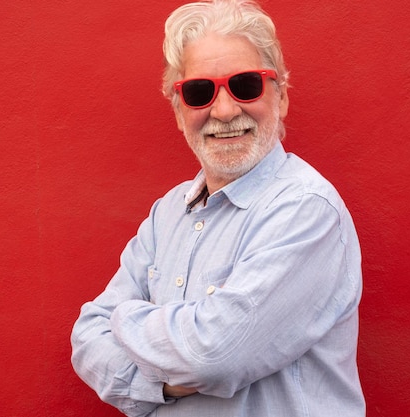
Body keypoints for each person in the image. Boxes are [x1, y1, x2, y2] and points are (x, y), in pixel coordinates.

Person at [70, 0, 365, 416]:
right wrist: (171, 385)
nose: (224, 111)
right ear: (179, 111)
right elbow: (86, 338)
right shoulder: (168, 212)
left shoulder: (306, 210)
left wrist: (125, 318)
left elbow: (215, 356)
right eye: (199, 91)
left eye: (246, 85)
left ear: (280, 97)